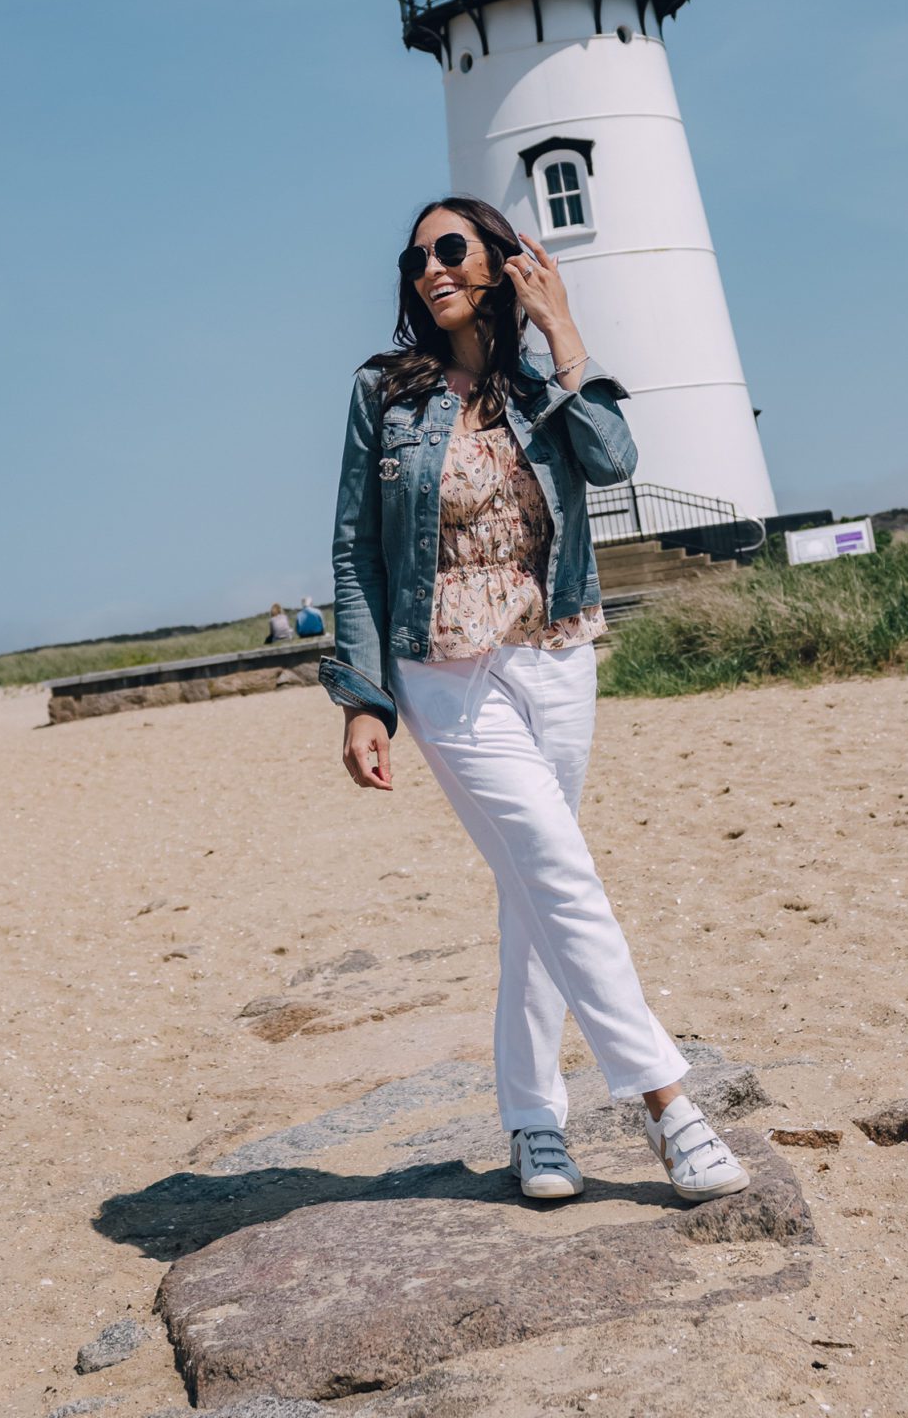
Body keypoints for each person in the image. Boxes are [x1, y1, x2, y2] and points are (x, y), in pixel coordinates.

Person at [319, 195, 749, 1204]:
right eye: (415, 258)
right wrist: (363, 698)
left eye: (451, 248)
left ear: (503, 261)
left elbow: (614, 459)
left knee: (535, 890)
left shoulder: (540, 382)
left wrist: (562, 331)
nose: (431, 268)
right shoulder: (383, 392)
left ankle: (533, 1121)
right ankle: (670, 1107)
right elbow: (355, 549)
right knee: (559, 870)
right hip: (443, 670)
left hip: (556, 654)